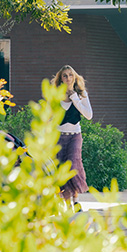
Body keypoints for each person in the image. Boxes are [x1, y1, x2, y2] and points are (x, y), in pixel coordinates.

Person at [53, 65, 93, 203]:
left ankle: (76, 201)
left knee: (73, 165)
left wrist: (74, 98)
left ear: (74, 77)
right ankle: (66, 202)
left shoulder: (81, 94)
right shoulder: (56, 95)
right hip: (59, 136)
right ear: (61, 79)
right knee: (62, 168)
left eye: (70, 75)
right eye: (65, 75)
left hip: (75, 136)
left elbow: (88, 115)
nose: (68, 78)